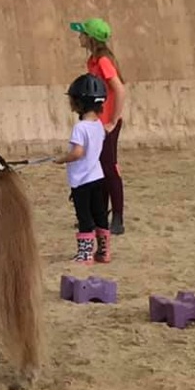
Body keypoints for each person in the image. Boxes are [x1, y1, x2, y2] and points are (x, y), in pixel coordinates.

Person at [69, 17, 128, 235]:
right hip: (97, 124)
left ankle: (118, 216)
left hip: (105, 124)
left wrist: (112, 121)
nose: (79, 37)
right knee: (98, 168)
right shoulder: (93, 61)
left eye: (82, 33)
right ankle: (99, 215)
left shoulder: (103, 62)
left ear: (90, 38)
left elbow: (119, 90)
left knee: (109, 168)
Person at [54, 74, 110, 264]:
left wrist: (63, 159)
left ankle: (85, 254)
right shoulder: (98, 125)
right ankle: (103, 252)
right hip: (97, 177)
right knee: (100, 214)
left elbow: (78, 152)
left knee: (84, 216)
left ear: (80, 103)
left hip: (82, 181)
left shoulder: (80, 127)